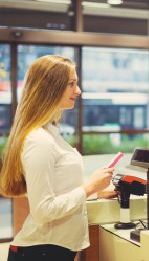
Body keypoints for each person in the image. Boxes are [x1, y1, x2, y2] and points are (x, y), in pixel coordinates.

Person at [0, 55, 114, 261]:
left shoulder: (51, 131)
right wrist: (88, 188)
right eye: (71, 84)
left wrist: (97, 192)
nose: (78, 91)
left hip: (53, 250)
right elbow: (43, 210)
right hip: (40, 252)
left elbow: (60, 189)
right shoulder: (39, 140)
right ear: (51, 88)